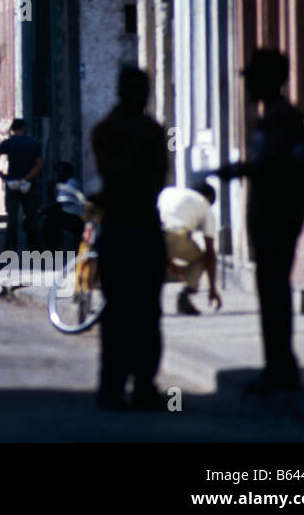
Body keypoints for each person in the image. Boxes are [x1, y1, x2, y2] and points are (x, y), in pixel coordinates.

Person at [210, 48, 304, 392]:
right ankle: (277, 365)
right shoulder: (273, 118)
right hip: (271, 220)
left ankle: (281, 368)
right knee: (271, 293)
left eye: (252, 77)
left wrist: (240, 169)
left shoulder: (282, 119)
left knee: (274, 293)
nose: (247, 84)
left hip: (276, 221)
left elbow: (279, 168)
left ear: (268, 80)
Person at [90, 66, 168, 412]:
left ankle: (113, 385)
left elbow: (109, 176)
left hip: (117, 230)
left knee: (117, 311)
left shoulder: (105, 130)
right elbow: (156, 180)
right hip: (144, 229)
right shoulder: (152, 131)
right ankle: (144, 386)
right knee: (147, 312)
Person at [159, 182, 222, 316]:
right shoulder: (205, 206)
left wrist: (169, 262)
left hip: (150, 233)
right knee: (201, 257)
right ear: (209, 198)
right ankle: (186, 293)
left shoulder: (169, 192)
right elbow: (210, 252)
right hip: (176, 236)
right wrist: (212, 288)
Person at [0, 118, 43, 253]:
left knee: (12, 219)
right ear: (24, 128)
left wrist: (0, 174)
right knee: (31, 217)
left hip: (12, 183)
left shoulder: (8, 143)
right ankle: (35, 248)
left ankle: (9, 249)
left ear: (12, 130)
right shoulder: (33, 143)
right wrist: (28, 177)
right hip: (28, 184)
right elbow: (39, 164)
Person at [38, 162, 85, 251]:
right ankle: (50, 247)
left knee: (51, 218)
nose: (57, 175)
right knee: (50, 217)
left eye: (60, 172)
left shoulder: (72, 184)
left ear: (66, 173)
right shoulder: (64, 184)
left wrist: (41, 212)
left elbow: (57, 204)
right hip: (69, 216)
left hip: (78, 219)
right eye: (56, 172)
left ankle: (51, 249)